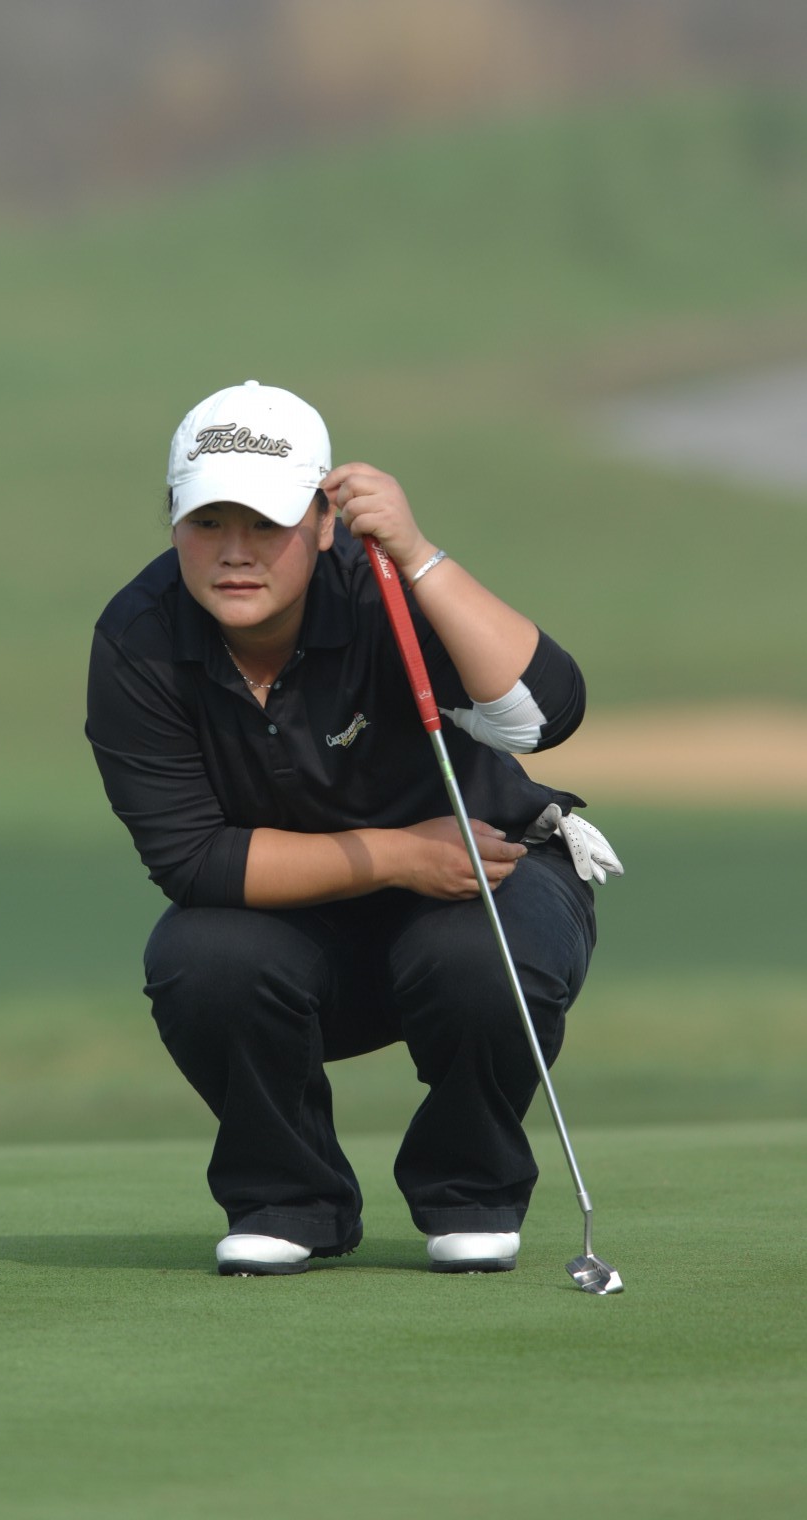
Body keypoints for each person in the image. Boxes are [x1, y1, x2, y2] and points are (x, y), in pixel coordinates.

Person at [85, 379, 621, 1277]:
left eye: (266, 523)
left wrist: (417, 554)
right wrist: (401, 856)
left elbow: (541, 717)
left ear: (324, 521)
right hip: (298, 924)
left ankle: (471, 1191)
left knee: (480, 959)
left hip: (482, 884)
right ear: (173, 520)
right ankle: (289, 1202)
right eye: (208, 522)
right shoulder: (138, 637)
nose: (235, 552)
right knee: (201, 958)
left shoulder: (385, 591)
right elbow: (193, 860)